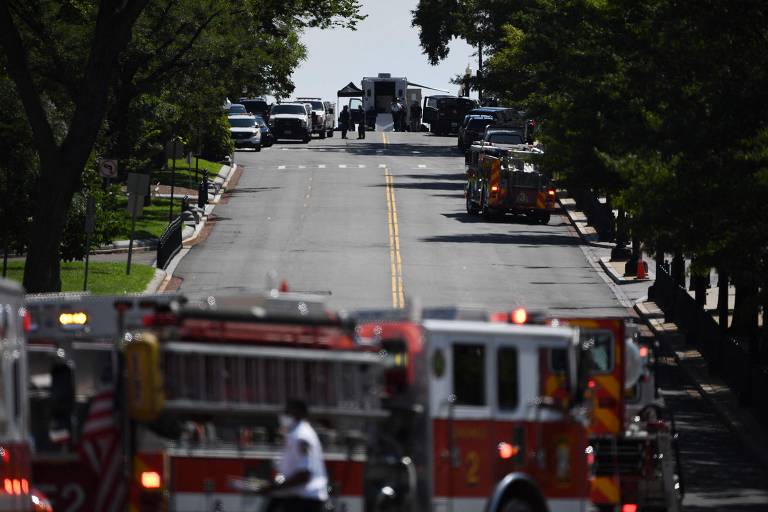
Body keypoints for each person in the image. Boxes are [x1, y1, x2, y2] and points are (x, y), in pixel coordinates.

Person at [258, 400, 328, 512]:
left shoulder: (301, 436)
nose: (284, 415)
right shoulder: (294, 434)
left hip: (304, 500)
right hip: (292, 496)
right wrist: (275, 482)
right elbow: (288, 472)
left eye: (288, 412)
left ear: (300, 413)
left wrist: (274, 487)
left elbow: (304, 474)